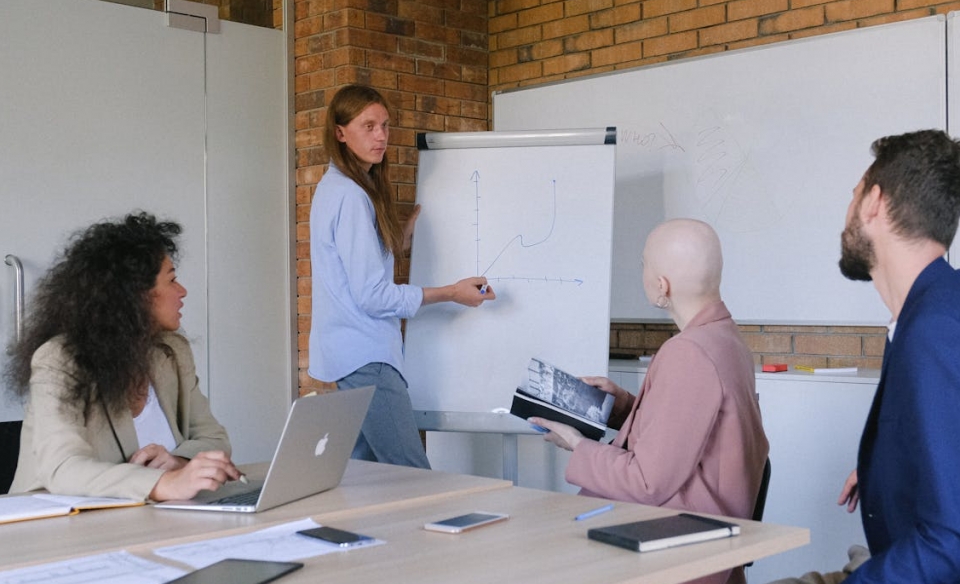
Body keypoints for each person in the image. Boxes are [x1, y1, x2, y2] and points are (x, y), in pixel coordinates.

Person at [531, 218, 768, 584]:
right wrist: (624, 406)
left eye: (644, 264)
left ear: (662, 286)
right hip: (706, 540)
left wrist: (577, 445)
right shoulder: (725, 339)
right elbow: (692, 430)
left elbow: (647, 482)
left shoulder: (688, 352)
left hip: (672, 551)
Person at [770, 129, 960, 584]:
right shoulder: (930, 311)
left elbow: (951, 544)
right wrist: (887, 465)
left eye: (853, 197)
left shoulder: (932, 330)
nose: (847, 215)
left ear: (874, 202)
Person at [309, 84, 495, 469]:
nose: (381, 137)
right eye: (368, 126)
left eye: (385, 126)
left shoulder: (334, 189)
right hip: (368, 357)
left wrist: (397, 242)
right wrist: (452, 292)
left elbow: (350, 273)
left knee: (363, 479)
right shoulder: (351, 196)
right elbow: (372, 296)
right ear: (340, 132)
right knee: (414, 477)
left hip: (349, 357)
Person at [5, 212, 243, 502]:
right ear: (134, 295)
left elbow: (216, 439)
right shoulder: (59, 360)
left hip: (148, 520)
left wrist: (178, 462)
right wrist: (163, 483)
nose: (182, 291)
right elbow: (63, 468)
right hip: (54, 530)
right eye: (172, 280)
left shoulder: (172, 352)